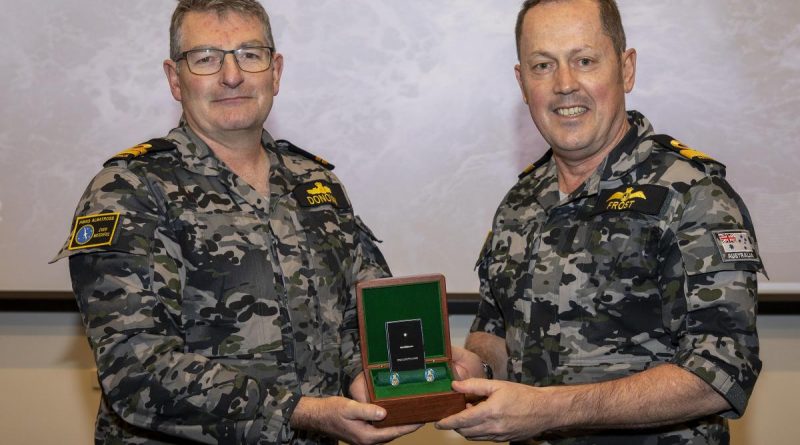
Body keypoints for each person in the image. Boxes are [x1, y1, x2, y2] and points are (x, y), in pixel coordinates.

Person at [52, 0, 420, 443]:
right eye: (206, 58)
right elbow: (135, 368)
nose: (232, 76)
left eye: (250, 54)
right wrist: (300, 412)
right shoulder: (128, 190)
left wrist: (368, 380)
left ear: (276, 71)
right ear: (175, 78)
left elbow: (357, 317)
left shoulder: (316, 184)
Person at [437, 0, 764, 444]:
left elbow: (722, 371)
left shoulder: (692, 194)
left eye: (585, 61)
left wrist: (551, 409)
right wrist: (475, 369)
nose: (565, 85)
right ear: (521, 82)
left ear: (626, 69)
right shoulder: (519, 203)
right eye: (542, 66)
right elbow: (495, 330)